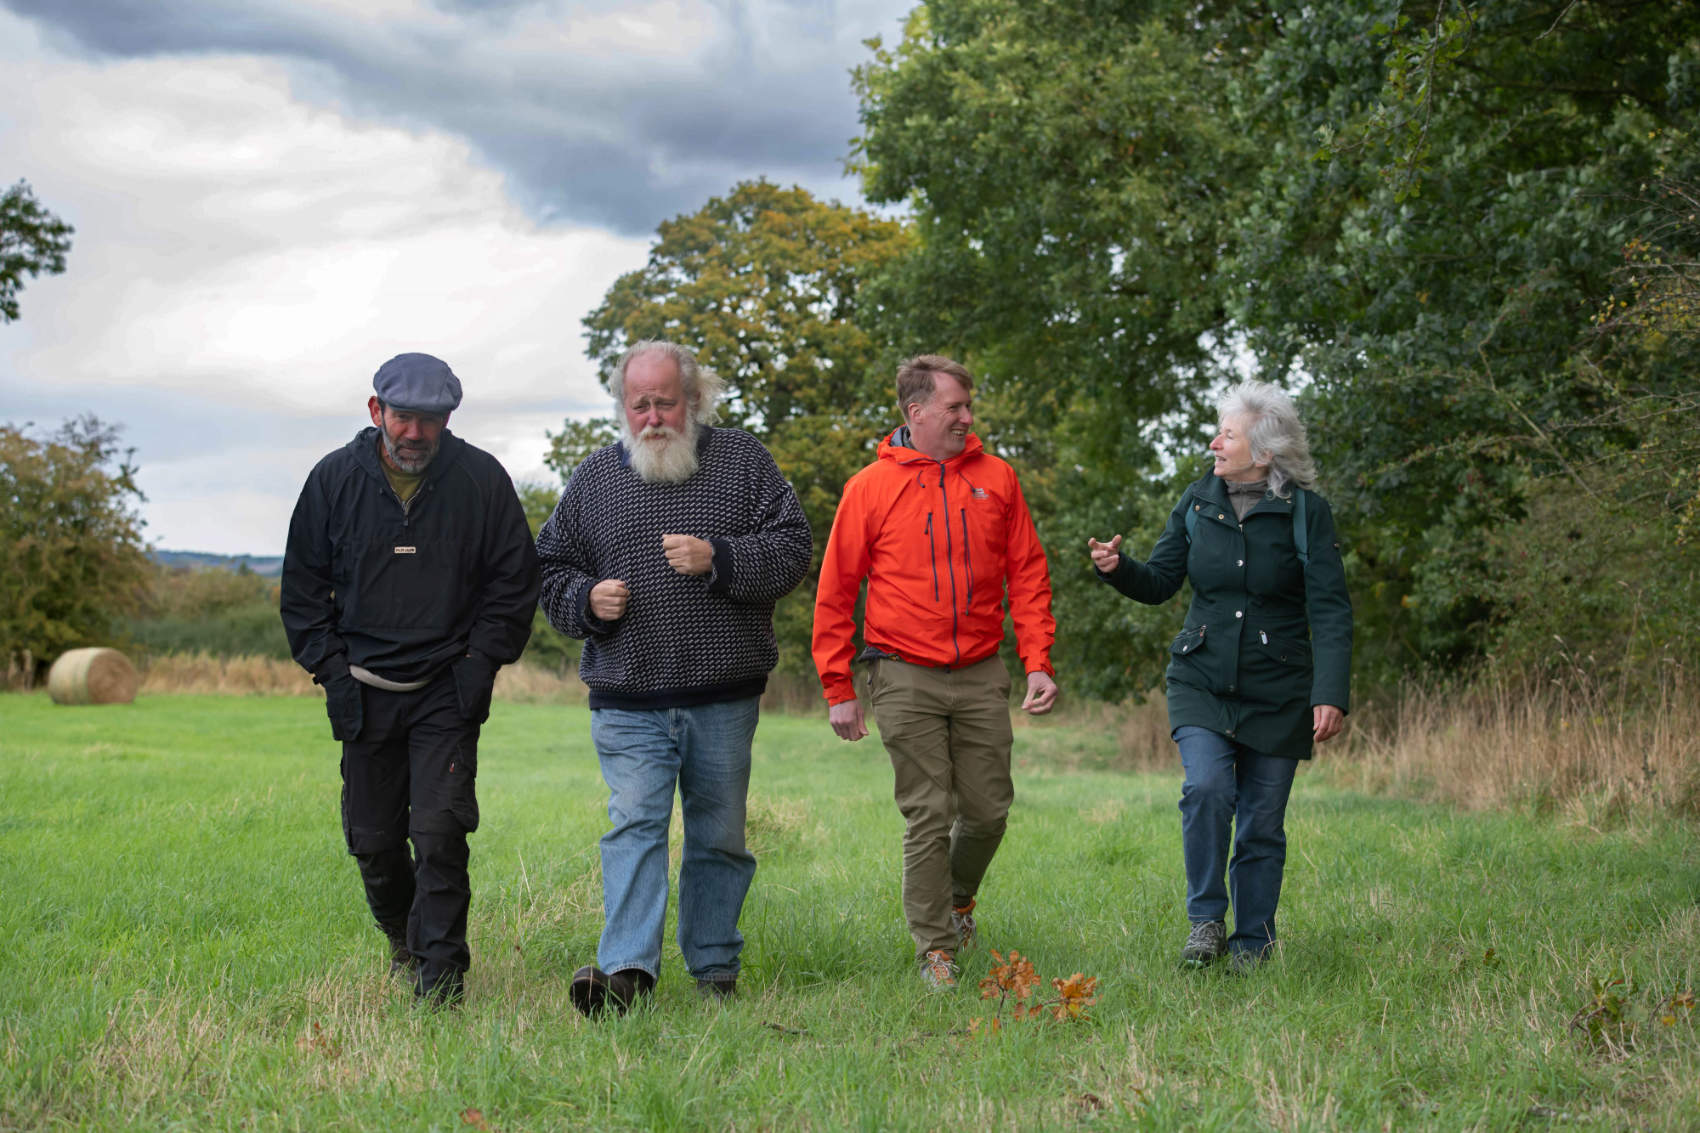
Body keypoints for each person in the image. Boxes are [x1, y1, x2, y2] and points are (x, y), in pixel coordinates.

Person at [536, 340, 811, 1016]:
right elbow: (547, 569)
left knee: (718, 834)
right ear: (623, 408)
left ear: (694, 399)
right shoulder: (596, 479)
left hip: (723, 694)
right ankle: (626, 972)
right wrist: (584, 601)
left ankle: (715, 967)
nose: (652, 416)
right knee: (635, 825)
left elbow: (794, 549)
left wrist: (720, 557)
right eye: (639, 404)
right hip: (628, 696)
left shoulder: (744, 461)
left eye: (665, 401)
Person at [281, 352, 540, 1005]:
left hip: (446, 690)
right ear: (377, 412)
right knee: (373, 842)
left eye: (431, 419)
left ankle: (441, 981)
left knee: (441, 832)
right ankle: (403, 939)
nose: (416, 432)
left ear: (448, 418)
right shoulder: (333, 481)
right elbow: (303, 593)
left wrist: (480, 665)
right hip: (363, 690)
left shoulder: (481, 480)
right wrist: (333, 674)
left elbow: (514, 585)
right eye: (404, 417)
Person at [812, 353, 1059, 993]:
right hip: (900, 673)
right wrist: (839, 689)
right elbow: (837, 591)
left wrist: (1038, 662)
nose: (966, 418)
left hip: (981, 671)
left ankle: (958, 902)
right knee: (928, 811)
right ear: (915, 412)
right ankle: (936, 951)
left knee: (987, 811)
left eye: (968, 407)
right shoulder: (869, 487)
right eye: (955, 407)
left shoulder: (997, 479)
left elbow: (1027, 574)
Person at [1088, 380, 1352, 972]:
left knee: (1262, 820)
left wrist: (1330, 693)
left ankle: (1253, 943)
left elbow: (1330, 608)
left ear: (1263, 452)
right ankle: (1205, 921)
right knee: (1206, 789)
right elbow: (1159, 582)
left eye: (1226, 434)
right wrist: (1117, 568)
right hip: (1200, 678)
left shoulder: (1307, 513)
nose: (1213, 443)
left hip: (1280, 688)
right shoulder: (1197, 500)